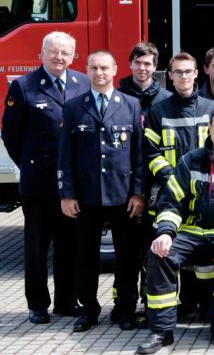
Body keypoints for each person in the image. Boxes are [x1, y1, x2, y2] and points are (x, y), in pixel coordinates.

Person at [137, 104, 214, 354]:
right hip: (192, 232)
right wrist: (165, 233)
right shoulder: (189, 160)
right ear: (210, 128)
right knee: (158, 255)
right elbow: (171, 201)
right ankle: (161, 331)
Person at [2, 31, 90, 323]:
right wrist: (29, 165)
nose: (59, 57)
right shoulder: (24, 87)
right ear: (42, 53)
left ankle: (66, 301)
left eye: (65, 53)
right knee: (37, 246)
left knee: (69, 245)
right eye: (54, 52)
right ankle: (37, 304)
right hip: (39, 183)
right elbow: (10, 135)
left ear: (73, 55)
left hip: (72, 185)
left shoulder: (83, 83)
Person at [58, 50, 145, 332]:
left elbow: (139, 154)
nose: (99, 73)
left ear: (115, 69)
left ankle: (125, 310)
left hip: (123, 196)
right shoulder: (73, 106)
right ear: (86, 70)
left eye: (105, 68)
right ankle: (89, 310)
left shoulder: (131, 104)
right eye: (94, 68)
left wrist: (138, 193)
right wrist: (67, 194)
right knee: (85, 257)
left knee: (127, 257)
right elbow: (65, 155)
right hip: (87, 196)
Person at [143, 52, 214, 317]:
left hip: (206, 192)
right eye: (178, 72)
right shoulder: (158, 111)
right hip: (171, 194)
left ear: (197, 73)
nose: (184, 76)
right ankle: (183, 305)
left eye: (188, 71)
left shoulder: (211, 110)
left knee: (203, 252)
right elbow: (151, 152)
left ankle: (202, 304)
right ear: (170, 75)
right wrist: (172, 178)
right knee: (175, 247)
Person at [118, 42, 172, 113]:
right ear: (131, 64)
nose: (141, 68)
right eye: (137, 62)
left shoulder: (167, 99)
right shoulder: (116, 97)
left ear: (154, 67)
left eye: (147, 64)